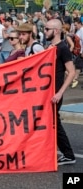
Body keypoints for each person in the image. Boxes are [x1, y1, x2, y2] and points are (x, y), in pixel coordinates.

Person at [44, 19, 76, 165]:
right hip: (47, 92)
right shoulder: (50, 47)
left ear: (56, 31)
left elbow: (71, 72)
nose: (44, 31)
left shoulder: (62, 48)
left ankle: (68, 154)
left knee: (54, 121)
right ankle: (56, 152)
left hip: (55, 92)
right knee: (51, 121)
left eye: (47, 29)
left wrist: (60, 92)